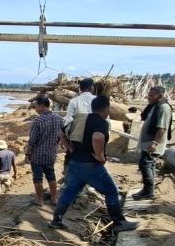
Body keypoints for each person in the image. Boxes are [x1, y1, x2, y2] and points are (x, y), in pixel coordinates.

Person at [50, 95, 140, 233]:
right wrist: (100, 156)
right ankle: (119, 222)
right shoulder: (101, 123)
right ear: (106, 108)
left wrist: (72, 149)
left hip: (75, 162)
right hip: (91, 165)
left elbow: (61, 134)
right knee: (111, 191)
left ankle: (56, 220)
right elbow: (97, 137)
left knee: (69, 192)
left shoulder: (80, 119)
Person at [134, 86, 173, 200]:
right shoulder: (155, 106)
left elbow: (162, 127)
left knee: (145, 164)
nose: (148, 97)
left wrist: (155, 142)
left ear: (160, 96)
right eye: (149, 95)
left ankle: (148, 191)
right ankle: (147, 190)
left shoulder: (164, 107)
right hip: (148, 142)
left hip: (152, 143)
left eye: (152, 95)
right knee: (148, 165)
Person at [24, 96, 63, 207]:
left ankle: (39, 199)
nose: (35, 109)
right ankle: (54, 197)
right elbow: (62, 135)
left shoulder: (38, 121)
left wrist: (27, 153)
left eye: (36, 106)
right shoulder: (58, 118)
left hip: (38, 155)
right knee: (51, 175)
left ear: (41, 106)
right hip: (51, 153)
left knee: (37, 177)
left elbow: (32, 141)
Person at [62, 78, 97, 191]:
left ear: (80, 89)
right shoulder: (98, 101)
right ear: (92, 88)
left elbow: (69, 121)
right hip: (94, 136)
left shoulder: (74, 101)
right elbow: (105, 120)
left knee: (71, 158)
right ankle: (88, 184)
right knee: (92, 159)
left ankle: (69, 184)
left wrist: (66, 139)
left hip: (76, 136)